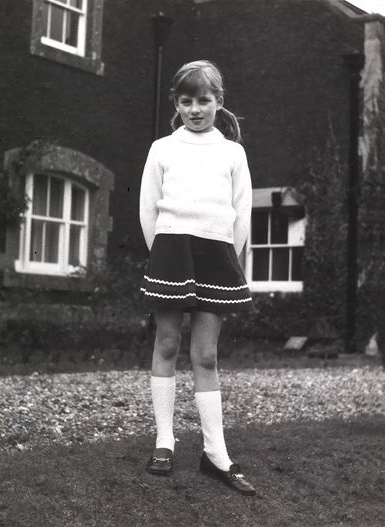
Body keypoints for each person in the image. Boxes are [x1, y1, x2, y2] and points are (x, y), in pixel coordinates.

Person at [139, 60, 256, 495]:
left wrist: (229, 255)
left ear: (219, 102)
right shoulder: (162, 149)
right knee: (167, 344)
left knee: (205, 355)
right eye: (186, 101)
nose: (194, 109)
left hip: (216, 256)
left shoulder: (233, 153)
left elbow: (241, 213)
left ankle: (215, 453)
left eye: (203, 100)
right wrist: (163, 255)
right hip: (171, 252)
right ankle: (164, 441)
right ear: (177, 104)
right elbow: (148, 209)